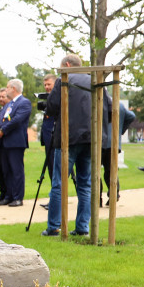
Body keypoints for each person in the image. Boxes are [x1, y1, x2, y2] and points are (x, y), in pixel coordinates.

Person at [43, 54, 95, 236]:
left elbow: (51, 107)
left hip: (67, 137)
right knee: (85, 184)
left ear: (66, 65)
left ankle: (54, 226)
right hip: (90, 138)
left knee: (59, 183)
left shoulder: (63, 79)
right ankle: (82, 227)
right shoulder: (93, 80)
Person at [0, 79, 31, 207]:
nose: (6, 89)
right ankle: (8, 196)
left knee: (16, 170)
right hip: (4, 142)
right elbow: (1, 118)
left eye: (7, 88)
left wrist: (2, 130)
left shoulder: (24, 103)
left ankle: (18, 197)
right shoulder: (9, 105)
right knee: (6, 171)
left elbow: (17, 120)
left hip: (15, 142)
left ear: (14, 89)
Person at [100, 97, 136, 206]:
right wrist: (121, 130)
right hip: (114, 142)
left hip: (99, 142)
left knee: (95, 171)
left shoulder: (97, 102)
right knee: (111, 170)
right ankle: (114, 194)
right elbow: (131, 116)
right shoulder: (118, 103)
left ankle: (97, 198)